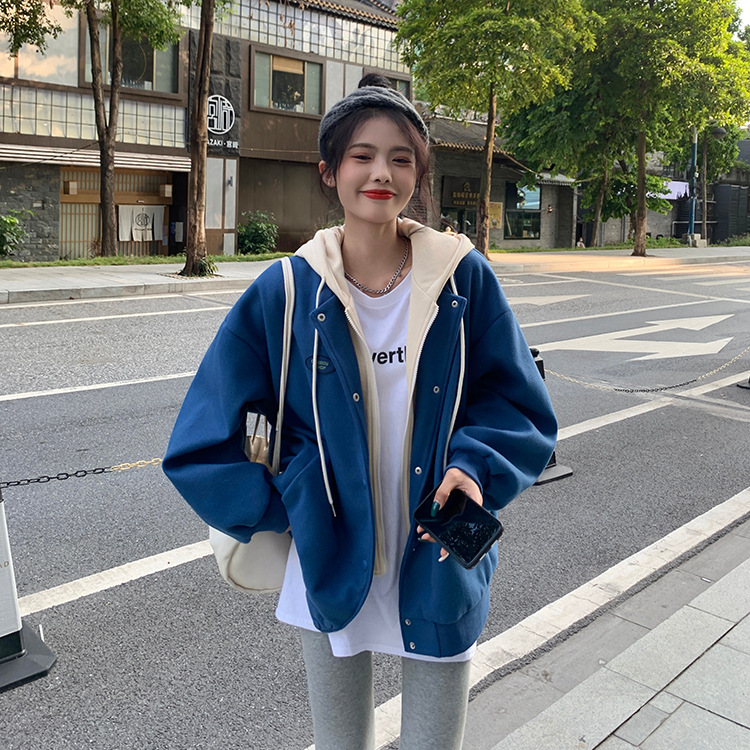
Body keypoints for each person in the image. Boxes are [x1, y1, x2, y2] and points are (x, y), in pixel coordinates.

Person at [163, 78, 557, 750]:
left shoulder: (462, 279)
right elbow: (202, 438)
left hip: (437, 552)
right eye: (362, 156)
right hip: (329, 552)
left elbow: (516, 401)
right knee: (340, 744)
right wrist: (294, 500)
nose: (382, 173)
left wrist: (475, 468)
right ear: (330, 172)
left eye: (402, 159)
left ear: (418, 175)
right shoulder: (288, 288)